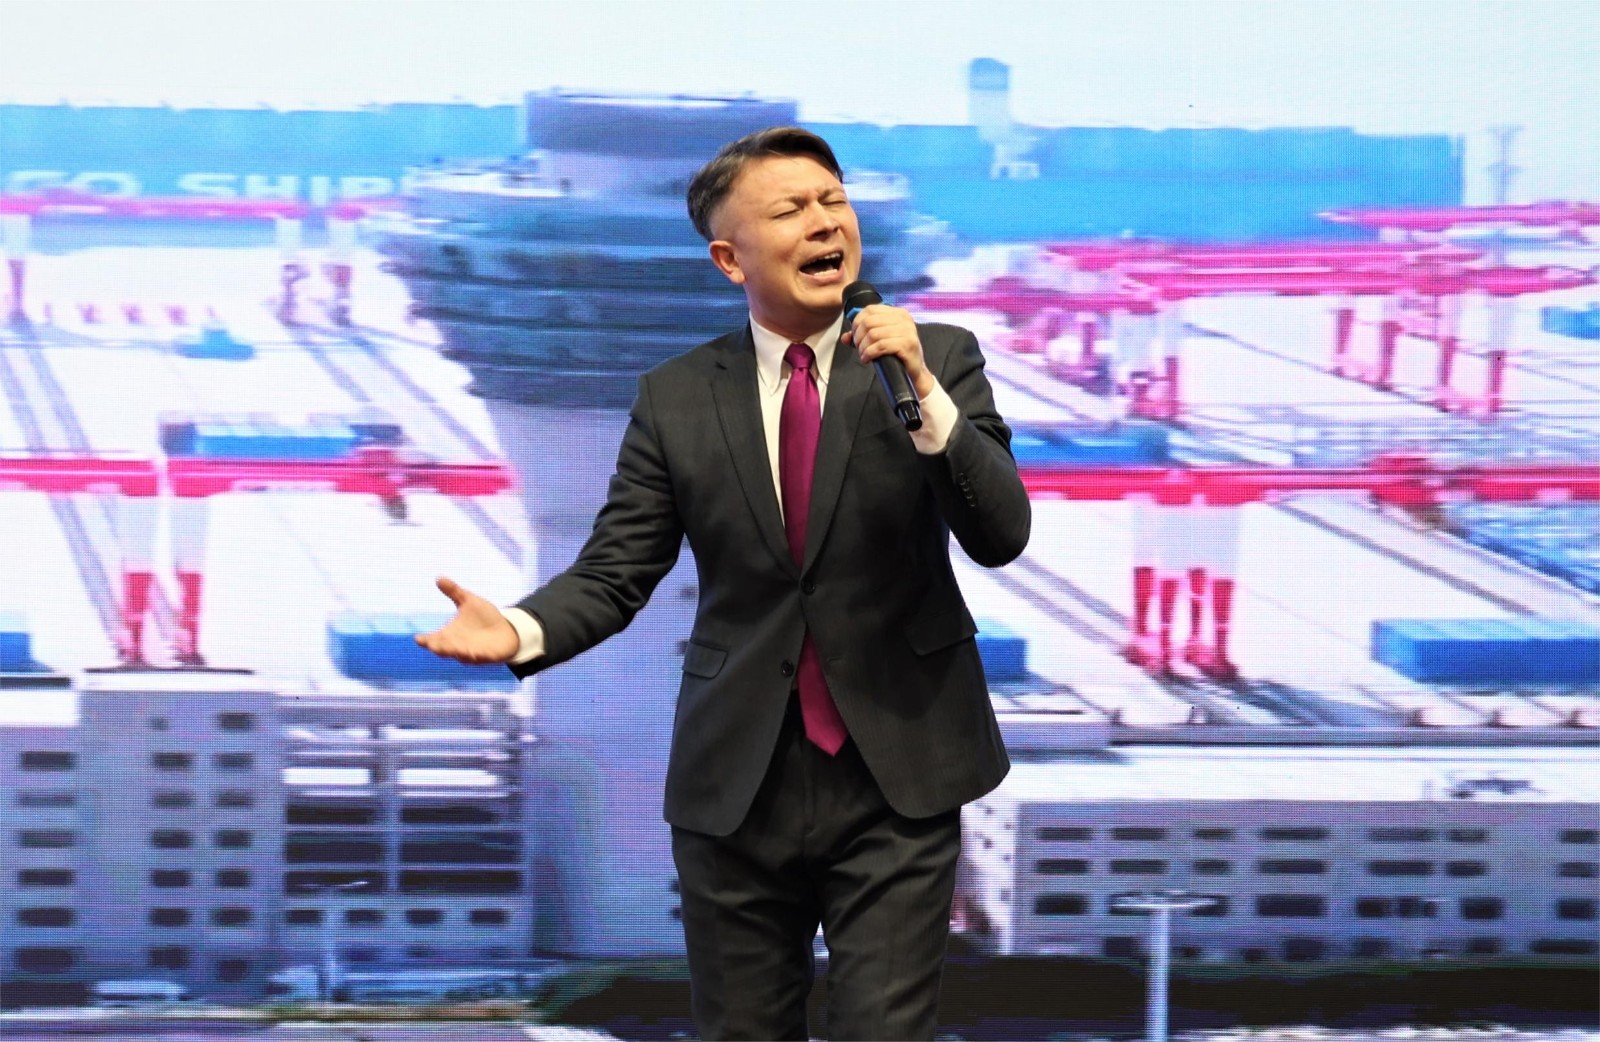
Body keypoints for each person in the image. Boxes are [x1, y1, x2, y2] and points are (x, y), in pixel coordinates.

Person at [417, 126, 1031, 1040]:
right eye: (789, 212)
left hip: (900, 768)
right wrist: (521, 630)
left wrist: (922, 396)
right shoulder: (675, 399)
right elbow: (619, 567)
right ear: (729, 259)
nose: (823, 226)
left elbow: (1000, 531)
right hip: (737, 777)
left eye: (833, 204)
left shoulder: (940, 363)